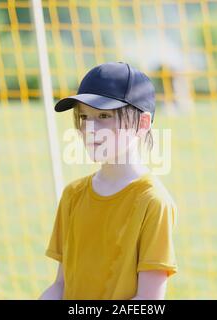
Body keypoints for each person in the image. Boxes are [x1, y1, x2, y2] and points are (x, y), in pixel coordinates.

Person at [39, 62, 178, 300]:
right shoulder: (73, 195)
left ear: (142, 124)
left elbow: (148, 301)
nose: (90, 128)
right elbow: (61, 285)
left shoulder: (153, 202)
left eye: (104, 115)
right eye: (84, 116)